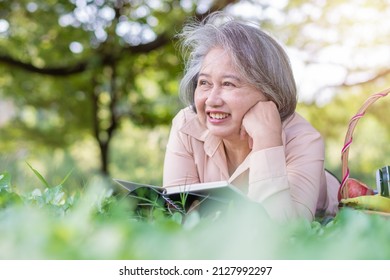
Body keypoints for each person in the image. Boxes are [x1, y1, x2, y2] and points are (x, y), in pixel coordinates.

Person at [162, 12, 339, 221]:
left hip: (330, 204)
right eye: (204, 83)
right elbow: (176, 215)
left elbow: (286, 231)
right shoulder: (187, 126)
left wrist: (267, 141)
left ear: (269, 92)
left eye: (228, 84)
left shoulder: (303, 139)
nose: (212, 99)